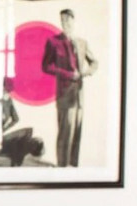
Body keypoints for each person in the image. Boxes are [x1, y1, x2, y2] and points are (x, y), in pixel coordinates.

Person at [41, 9, 98, 167]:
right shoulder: (53, 42)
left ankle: (73, 168)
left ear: (74, 20)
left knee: (77, 133)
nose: (65, 23)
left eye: (67, 19)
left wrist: (87, 72)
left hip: (79, 97)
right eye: (62, 20)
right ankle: (62, 168)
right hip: (64, 95)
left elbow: (94, 62)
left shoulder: (82, 42)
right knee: (65, 134)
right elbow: (46, 66)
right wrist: (67, 74)